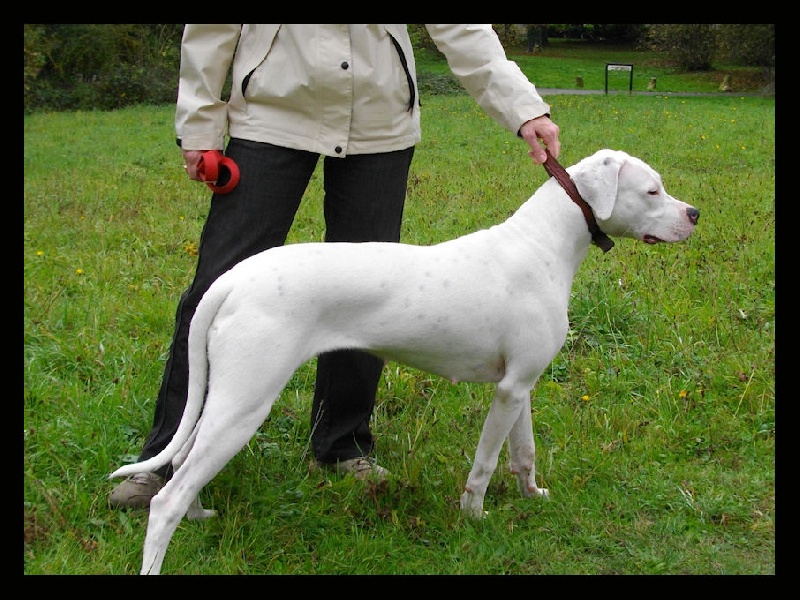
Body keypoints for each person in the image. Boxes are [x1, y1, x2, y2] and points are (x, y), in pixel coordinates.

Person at [110, 24, 561, 509]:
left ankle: (341, 444)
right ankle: (164, 459)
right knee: (216, 288)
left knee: (374, 295)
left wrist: (522, 106)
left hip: (379, 120)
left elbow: (461, 27)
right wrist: (200, 125)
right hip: (272, 112)